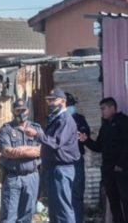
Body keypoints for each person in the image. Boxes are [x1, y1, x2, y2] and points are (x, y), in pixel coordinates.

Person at [25, 88, 80, 223]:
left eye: (53, 100)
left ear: (63, 101)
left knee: (63, 208)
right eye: (48, 101)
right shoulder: (56, 119)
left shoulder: (65, 119)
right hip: (52, 168)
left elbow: (56, 142)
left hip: (61, 169)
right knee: (54, 209)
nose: (50, 103)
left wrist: (37, 134)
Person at [79, 97, 128, 223]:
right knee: (112, 199)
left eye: (103, 109)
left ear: (112, 108)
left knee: (125, 197)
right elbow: (98, 147)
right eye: (101, 109)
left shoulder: (125, 121)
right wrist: (86, 140)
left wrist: (120, 164)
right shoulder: (105, 126)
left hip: (122, 168)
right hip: (107, 168)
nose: (102, 112)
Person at [0, 98, 41, 223]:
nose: (21, 113)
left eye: (24, 110)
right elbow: (7, 152)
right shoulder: (6, 129)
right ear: (13, 111)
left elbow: (42, 150)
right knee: (8, 216)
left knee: (27, 216)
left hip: (32, 177)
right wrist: (31, 151)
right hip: (13, 178)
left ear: (28, 110)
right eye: (18, 110)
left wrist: (19, 150)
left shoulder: (36, 129)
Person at [65, 92, 91, 223]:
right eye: (68, 105)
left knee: (77, 193)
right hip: (61, 162)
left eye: (71, 105)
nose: (71, 107)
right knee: (63, 195)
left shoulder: (80, 118)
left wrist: (81, 136)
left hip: (76, 160)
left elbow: (86, 134)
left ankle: (78, 220)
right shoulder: (55, 120)